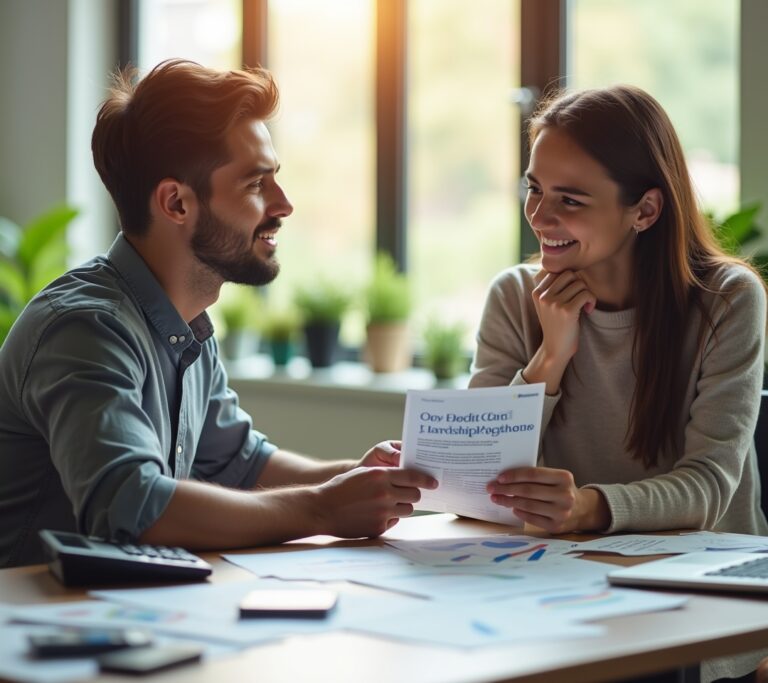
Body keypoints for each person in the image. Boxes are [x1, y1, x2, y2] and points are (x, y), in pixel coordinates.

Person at [0, 59, 436, 569]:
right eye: (256, 185)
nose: (284, 204)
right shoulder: (84, 328)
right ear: (176, 203)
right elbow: (133, 507)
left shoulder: (186, 329)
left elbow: (241, 462)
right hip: (28, 629)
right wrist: (322, 508)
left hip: (116, 615)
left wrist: (355, 477)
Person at [470, 85, 767, 682]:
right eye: (534, 189)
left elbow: (708, 486)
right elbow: (479, 473)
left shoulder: (728, 302)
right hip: (554, 590)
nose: (539, 216)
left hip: (696, 611)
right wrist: (550, 356)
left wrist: (587, 506)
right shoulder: (513, 295)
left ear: (645, 210)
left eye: (570, 200)